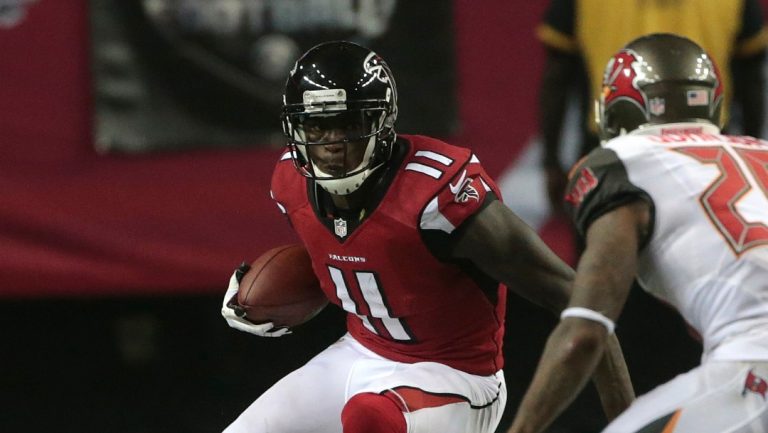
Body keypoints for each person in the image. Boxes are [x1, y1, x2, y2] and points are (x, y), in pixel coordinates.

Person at [219, 41, 634, 433]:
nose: (331, 144)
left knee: (370, 418)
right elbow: (358, 259)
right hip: (360, 352)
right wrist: (262, 292)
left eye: (347, 124)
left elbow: (581, 301)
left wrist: (634, 421)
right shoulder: (289, 182)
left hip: (455, 376)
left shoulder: (436, 195)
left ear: (380, 122)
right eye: (317, 126)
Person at [507, 33, 768, 433]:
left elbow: (585, 332)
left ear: (618, 110)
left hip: (753, 363)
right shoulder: (761, 151)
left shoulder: (625, 163)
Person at [537, 0, 768, 216]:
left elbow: (557, 76)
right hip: (706, 156)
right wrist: (748, 160)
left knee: (606, 251)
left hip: (611, 153)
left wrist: (550, 162)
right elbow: (751, 83)